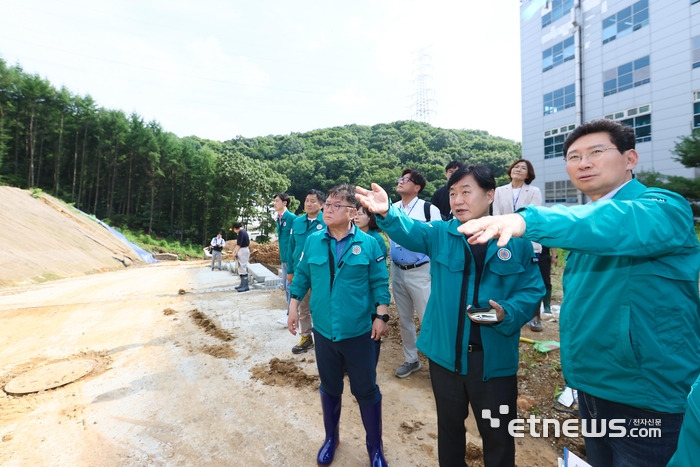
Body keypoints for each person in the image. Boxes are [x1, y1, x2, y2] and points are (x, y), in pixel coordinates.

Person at [459, 119, 700, 467]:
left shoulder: (662, 207)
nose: (583, 163)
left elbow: (614, 223)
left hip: (646, 396)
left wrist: (526, 221)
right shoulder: (589, 222)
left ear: (630, 159)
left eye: (596, 152)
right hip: (591, 387)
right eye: (573, 157)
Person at [356, 165, 544, 467]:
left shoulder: (516, 242)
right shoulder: (441, 234)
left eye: (466, 192)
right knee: (450, 433)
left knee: (498, 437)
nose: (457, 200)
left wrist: (507, 312)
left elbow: (533, 289)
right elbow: (410, 230)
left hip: (492, 362)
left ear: (490, 194)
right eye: (453, 193)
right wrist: (387, 213)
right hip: (446, 360)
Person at [288, 184, 390, 467]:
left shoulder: (370, 243)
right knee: (330, 386)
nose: (327, 209)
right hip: (323, 331)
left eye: (334, 205)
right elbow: (303, 277)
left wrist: (381, 316)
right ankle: (331, 438)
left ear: (352, 212)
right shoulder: (313, 240)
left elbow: (379, 282)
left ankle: (375, 448)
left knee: (366, 389)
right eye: (326, 205)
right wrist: (293, 307)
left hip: (359, 331)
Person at [390, 168, 442, 378]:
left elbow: (438, 239)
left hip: (421, 271)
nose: (401, 181)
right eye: (400, 178)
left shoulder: (429, 209)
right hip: (397, 270)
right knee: (404, 319)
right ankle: (411, 360)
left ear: (417, 187)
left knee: (427, 319)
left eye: (406, 179)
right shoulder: (391, 208)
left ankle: (439, 365)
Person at [493, 158, 545, 332]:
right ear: (510, 170)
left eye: (523, 168)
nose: (519, 169)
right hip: (505, 240)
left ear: (528, 174)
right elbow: (497, 215)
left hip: (527, 240)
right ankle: (508, 312)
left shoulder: (534, 191)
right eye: (516, 166)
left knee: (530, 279)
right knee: (507, 277)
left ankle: (536, 315)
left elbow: (533, 215)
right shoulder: (500, 191)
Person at [286, 189, 326, 354]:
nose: (309, 204)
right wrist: (290, 270)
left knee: (321, 306)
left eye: (313, 201)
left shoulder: (327, 221)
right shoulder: (297, 222)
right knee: (303, 307)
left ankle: (324, 340)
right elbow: (291, 247)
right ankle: (306, 337)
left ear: (322, 204)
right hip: (301, 273)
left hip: (320, 273)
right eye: (307, 200)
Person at [274, 193, 297, 326]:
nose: (274, 203)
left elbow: (294, 241)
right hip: (284, 258)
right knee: (287, 287)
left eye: (277, 201)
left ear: (285, 203)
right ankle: (291, 314)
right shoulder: (279, 218)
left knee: (290, 287)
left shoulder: (292, 218)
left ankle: (290, 315)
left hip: (291, 259)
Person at [232, 223, 250, 292]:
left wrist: (235, 252)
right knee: (240, 267)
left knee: (242, 267)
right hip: (243, 250)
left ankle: (245, 286)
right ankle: (242, 284)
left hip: (243, 250)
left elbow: (239, 244)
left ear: (235, 228)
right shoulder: (243, 232)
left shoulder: (241, 233)